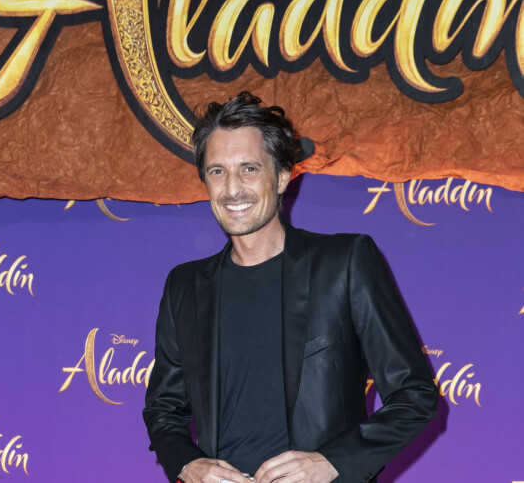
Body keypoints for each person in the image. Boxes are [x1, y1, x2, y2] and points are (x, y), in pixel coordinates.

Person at [143, 92, 438, 483]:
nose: (232, 189)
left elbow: (415, 395)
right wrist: (188, 465)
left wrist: (331, 461)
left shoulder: (344, 263)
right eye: (217, 171)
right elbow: (164, 409)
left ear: (282, 176)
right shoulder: (185, 285)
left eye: (249, 169)